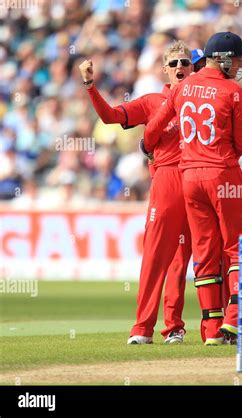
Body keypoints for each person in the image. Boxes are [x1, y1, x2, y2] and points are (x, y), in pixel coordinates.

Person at [144, 32, 242, 345]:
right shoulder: (232, 90)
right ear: (224, 59)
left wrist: (150, 152)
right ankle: (237, 320)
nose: (241, 63)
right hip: (224, 175)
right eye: (238, 58)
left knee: (204, 253)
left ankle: (212, 331)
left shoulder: (183, 87)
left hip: (189, 178)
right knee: (239, 248)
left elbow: (151, 131)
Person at [79, 40, 194, 345]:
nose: (180, 67)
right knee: (156, 256)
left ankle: (175, 328)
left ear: (194, 67)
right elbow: (110, 117)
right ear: (164, 70)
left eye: (185, 62)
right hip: (168, 179)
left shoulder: (202, 101)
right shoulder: (152, 101)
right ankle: (142, 328)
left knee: (183, 260)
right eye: (174, 64)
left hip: (198, 178)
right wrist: (90, 85)